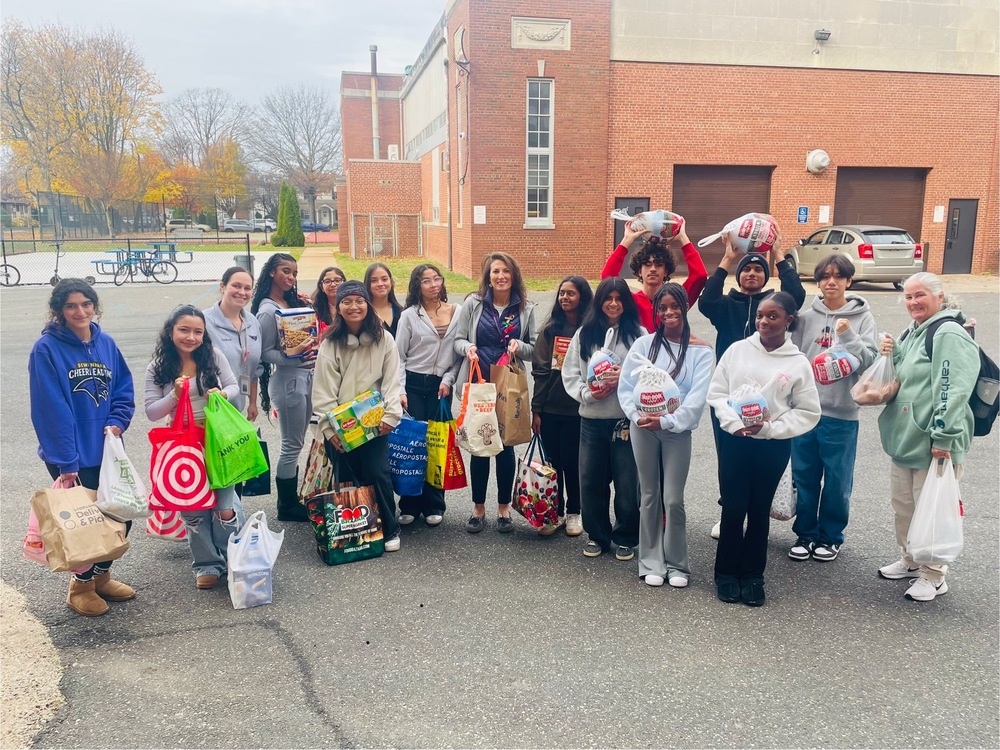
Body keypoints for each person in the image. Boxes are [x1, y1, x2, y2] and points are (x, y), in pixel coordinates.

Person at [29, 278, 136, 617]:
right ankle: (81, 586)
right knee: (84, 523)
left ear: (94, 306)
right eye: (71, 306)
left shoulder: (105, 344)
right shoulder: (46, 349)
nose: (80, 311)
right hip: (71, 454)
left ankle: (102, 576)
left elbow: (122, 387)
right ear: (59, 311)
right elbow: (50, 408)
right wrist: (66, 461)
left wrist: (118, 421)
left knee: (120, 514)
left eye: (86, 304)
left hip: (106, 447)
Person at [707, 292, 821, 606]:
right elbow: (717, 394)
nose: (764, 322)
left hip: (772, 446)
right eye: (760, 315)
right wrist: (734, 424)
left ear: (789, 320)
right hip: (735, 442)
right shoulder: (737, 351)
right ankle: (727, 574)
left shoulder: (797, 363)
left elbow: (808, 411)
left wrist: (771, 428)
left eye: (773, 316)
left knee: (759, 512)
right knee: (733, 508)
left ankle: (753, 575)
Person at [876, 272, 979, 602]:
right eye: (907, 297)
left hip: (935, 442)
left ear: (939, 296)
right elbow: (906, 376)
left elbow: (953, 388)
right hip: (906, 437)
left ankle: (934, 575)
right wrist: (891, 352)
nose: (913, 302)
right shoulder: (915, 330)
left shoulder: (948, 332)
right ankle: (910, 559)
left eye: (919, 295)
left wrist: (944, 436)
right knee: (904, 506)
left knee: (930, 509)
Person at [698, 230, 805, 539]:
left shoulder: (774, 307)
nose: (752, 274)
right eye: (746, 269)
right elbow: (706, 301)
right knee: (728, 457)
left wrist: (779, 255)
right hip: (730, 398)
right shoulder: (726, 306)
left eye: (758, 269)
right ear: (739, 275)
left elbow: (796, 295)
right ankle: (729, 510)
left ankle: (758, 514)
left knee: (762, 456)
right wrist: (728, 258)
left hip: (770, 398)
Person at [617, 284, 714, 588]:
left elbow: (697, 399)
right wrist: (639, 417)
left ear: (685, 307)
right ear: (656, 311)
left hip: (677, 432)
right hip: (643, 428)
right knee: (648, 495)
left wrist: (669, 421)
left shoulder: (701, 350)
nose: (669, 313)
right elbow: (626, 389)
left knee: (673, 499)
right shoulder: (645, 345)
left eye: (675, 306)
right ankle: (650, 562)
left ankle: (677, 565)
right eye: (662, 308)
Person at [144, 306, 244, 590]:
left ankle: (231, 556)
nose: (191, 337)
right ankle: (207, 564)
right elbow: (151, 411)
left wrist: (222, 393)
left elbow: (234, 385)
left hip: (217, 439)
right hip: (181, 445)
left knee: (225, 508)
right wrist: (174, 396)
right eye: (184, 330)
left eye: (197, 331)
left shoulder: (211, 357)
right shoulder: (158, 367)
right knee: (193, 509)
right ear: (170, 332)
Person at [788, 255, 877, 563]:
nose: (831, 282)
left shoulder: (862, 316)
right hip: (807, 412)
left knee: (838, 481)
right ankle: (806, 533)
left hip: (842, 414)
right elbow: (794, 358)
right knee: (805, 476)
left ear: (849, 281)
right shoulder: (806, 317)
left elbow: (869, 362)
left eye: (839, 276)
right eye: (825, 276)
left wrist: (848, 334)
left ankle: (831, 536)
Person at [312, 280, 403, 551]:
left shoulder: (384, 338)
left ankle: (388, 527)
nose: (354, 307)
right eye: (347, 302)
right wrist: (330, 430)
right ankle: (356, 532)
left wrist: (391, 415)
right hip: (341, 428)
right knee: (348, 477)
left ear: (368, 304)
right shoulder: (330, 345)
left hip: (374, 424)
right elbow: (323, 391)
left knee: (377, 472)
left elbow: (391, 381)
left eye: (359, 301)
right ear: (338, 308)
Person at [454, 252, 537, 533]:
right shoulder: (473, 304)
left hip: (508, 384)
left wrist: (519, 346)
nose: (500, 276)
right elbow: (457, 340)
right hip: (481, 382)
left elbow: (535, 346)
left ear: (514, 275)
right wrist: (468, 348)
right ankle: (478, 507)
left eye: (506, 271)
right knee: (480, 446)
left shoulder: (525, 308)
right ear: (488, 276)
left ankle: (503, 507)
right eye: (495, 271)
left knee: (505, 446)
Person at [562, 277, 644, 560]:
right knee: (591, 481)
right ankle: (597, 535)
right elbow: (569, 373)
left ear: (626, 303)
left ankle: (626, 536)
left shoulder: (638, 335)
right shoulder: (585, 334)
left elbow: (648, 375)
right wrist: (587, 394)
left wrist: (626, 377)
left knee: (627, 482)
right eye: (608, 298)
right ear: (599, 302)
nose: (613, 304)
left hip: (624, 421)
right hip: (592, 421)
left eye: (619, 298)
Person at [394, 263, 462, 527]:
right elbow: (399, 356)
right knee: (413, 446)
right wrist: (400, 389)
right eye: (426, 281)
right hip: (412, 383)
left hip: (440, 386)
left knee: (437, 444)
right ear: (417, 286)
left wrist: (448, 379)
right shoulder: (410, 315)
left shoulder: (457, 312)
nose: (434, 284)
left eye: (437, 279)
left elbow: (457, 355)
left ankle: (435, 503)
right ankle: (409, 504)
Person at [251, 253, 315, 522]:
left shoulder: (289, 303)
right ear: (271, 274)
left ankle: (291, 499)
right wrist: (294, 357)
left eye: (294, 273)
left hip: (304, 378)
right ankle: (286, 505)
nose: (290, 278)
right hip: (289, 382)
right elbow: (264, 352)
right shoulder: (267, 310)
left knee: (298, 442)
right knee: (291, 444)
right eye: (285, 272)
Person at [530, 275, 593, 537]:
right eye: (562, 293)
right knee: (552, 463)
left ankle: (574, 513)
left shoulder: (591, 329)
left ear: (582, 297)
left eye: (571, 294)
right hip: (551, 409)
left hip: (579, 409)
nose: (565, 298)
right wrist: (537, 409)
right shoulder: (550, 330)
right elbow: (540, 371)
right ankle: (552, 513)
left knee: (573, 464)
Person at [601, 219, 707, 332]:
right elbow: (608, 278)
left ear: (666, 271)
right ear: (639, 272)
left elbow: (700, 275)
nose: (653, 269)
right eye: (647, 264)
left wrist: (683, 238)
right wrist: (627, 240)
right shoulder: (631, 301)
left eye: (658, 265)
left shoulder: (677, 299)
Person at [365, 262, 403, 337]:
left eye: (384, 279)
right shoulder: (362, 312)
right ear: (367, 284)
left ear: (391, 282)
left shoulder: (401, 312)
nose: (380, 284)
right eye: (374, 280)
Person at [312, 266, 346, 335]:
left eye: (337, 280)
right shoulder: (314, 309)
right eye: (327, 281)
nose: (333, 284)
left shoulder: (353, 306)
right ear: (321, 287)